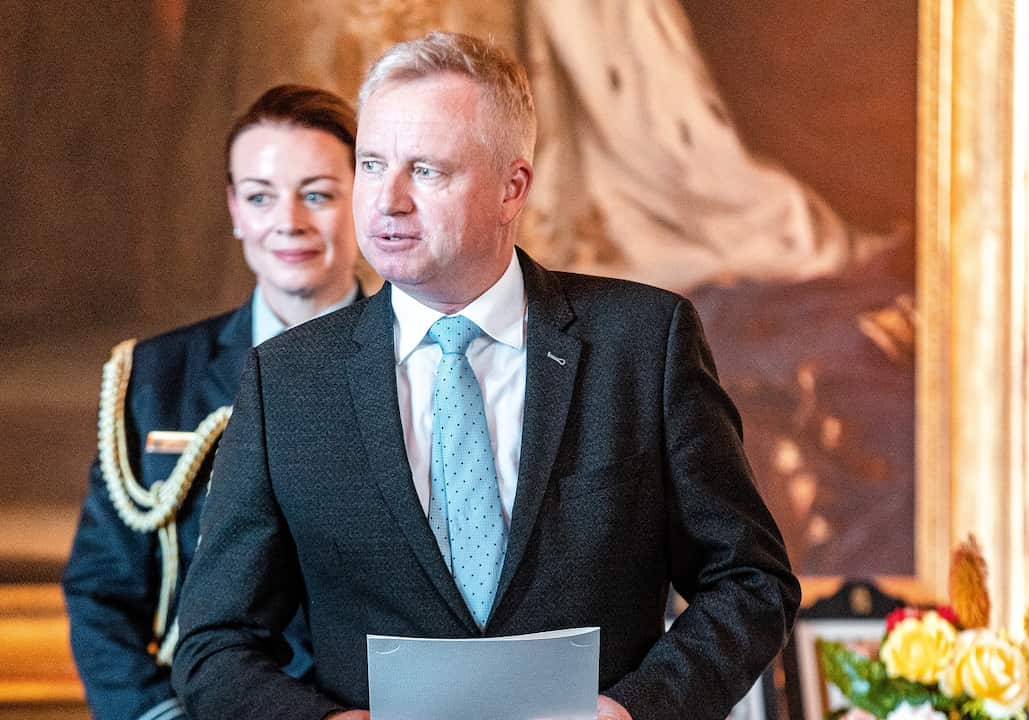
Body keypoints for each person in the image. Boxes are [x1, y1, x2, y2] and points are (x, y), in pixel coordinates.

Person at [172, 32, 799, 720]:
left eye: (428, 172)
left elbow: (749, 579)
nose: (387, 201)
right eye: (373, 164)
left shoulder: (644, 344)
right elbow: (215, 644)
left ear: (512, 187)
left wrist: (635, 710)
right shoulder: (286, 382)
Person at [62, 84, 365, 720]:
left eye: (318, 194)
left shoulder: (421, 365)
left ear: (362, 200)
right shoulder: (152, 376)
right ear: (234, 209)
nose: (290, 221)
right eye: (260, 196)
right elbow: (102, 590)